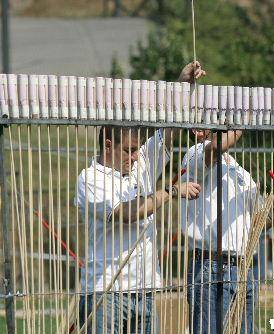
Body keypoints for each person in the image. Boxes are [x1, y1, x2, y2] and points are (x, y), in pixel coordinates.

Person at [75, 61, 205, 334]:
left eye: (137, 150)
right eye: (129, 151)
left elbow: (169, 132)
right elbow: (128, 212)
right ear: (109, 145)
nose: (135, 157)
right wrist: (171, 191)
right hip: (105, 293)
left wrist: (182, 87)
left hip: (143, 291)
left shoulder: (140, 163)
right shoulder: (90, 178)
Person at [181, 129, 274, 334]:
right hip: (210, 266)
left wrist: (271, 214)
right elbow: (217, 147)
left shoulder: (239, 170)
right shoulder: (195, 154)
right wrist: (242, 122)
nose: (228, 124)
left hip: (243, 268)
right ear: (198, 131)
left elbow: (257, 224)